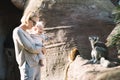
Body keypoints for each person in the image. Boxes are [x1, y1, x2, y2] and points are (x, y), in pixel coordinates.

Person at [12, 12, 45, 80]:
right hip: (27, 65)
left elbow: (36, 46)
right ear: (27, 19)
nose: (35, 25)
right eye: (34, 22)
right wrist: (41, 48)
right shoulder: (18, 31)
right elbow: (31, 48)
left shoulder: (27, 32)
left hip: (36, 63)